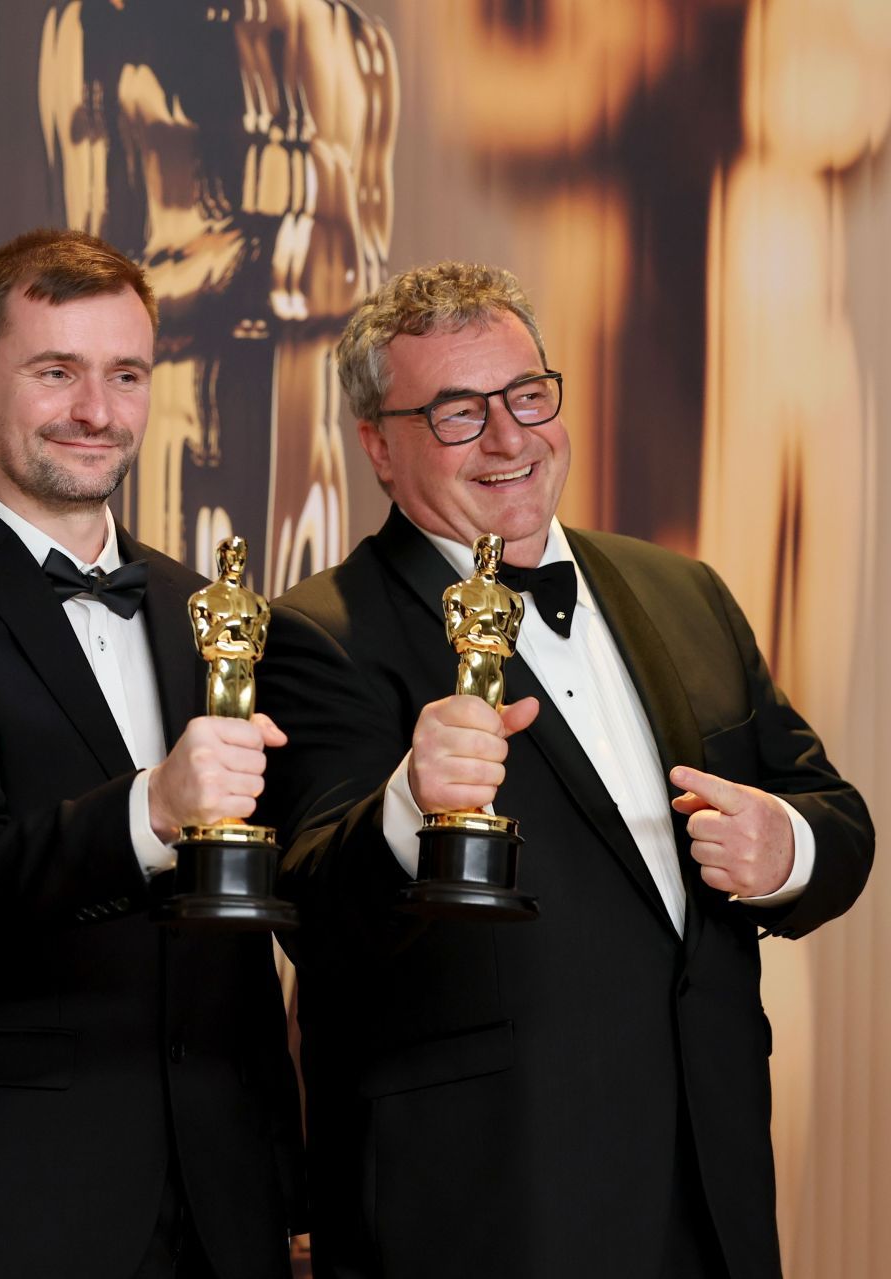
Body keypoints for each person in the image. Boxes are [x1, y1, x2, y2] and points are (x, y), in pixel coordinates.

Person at [259, 260, 875, 1279]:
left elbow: (834, 815)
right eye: (457, 413)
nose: (510, 438)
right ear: (377, 444)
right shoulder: (318, 635)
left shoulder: (685, 590)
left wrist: (789, 846)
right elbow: (315, 907)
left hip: (711, 1181)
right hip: (487, 1208)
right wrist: (413, 804)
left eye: (527, 395)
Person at [0, 228, 303, 1279]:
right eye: (55, 371)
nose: (95, 411)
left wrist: (284, 1183)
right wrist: (151, 809)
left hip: (225, 1198)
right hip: (9, 1206)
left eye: (125, 374)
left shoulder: (212, 612)